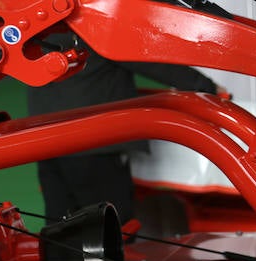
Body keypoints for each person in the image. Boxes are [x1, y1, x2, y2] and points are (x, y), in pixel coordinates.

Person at [27, 30, 220, 226]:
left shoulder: (38, 32)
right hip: (95, 144)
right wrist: (206, 87)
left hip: (48, 141)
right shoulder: (94, 28)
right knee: (112, 227)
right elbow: (148, 60)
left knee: (60, 227)